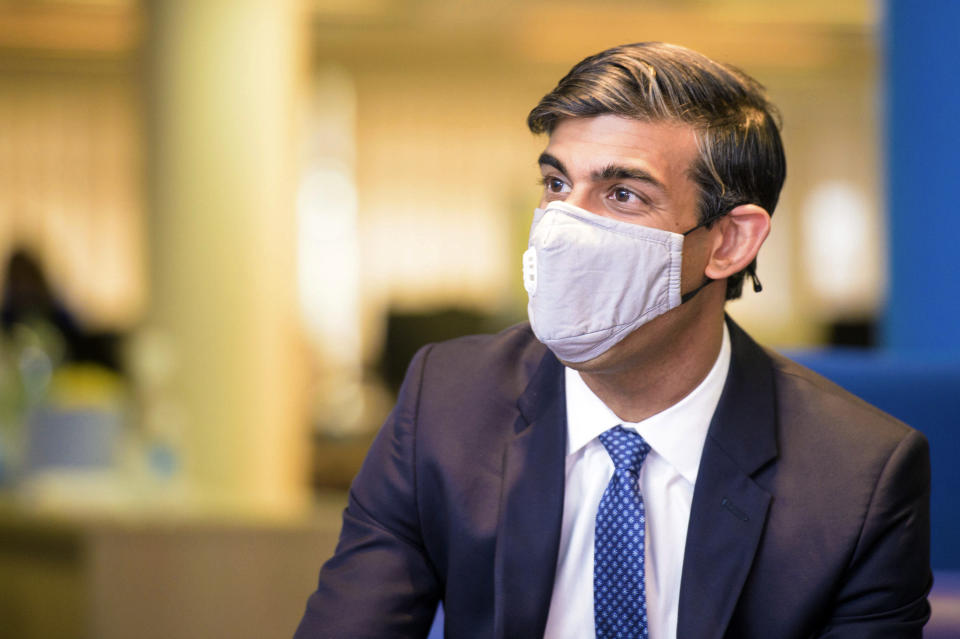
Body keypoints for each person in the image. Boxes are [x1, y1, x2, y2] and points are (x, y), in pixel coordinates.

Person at [294, 42, 931, 639]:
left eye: (622, 193)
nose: (565, 227)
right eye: (556, 184)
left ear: (730, 242)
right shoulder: (446, 403)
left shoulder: (858, 476)